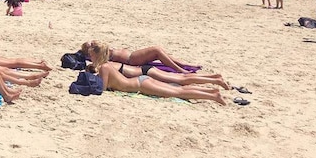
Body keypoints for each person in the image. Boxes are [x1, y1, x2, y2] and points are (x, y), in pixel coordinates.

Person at [84, 42, 225, 105]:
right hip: (141, 78)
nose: (89, 58)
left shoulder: (104, 68)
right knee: (179, 86)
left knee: (179, 89)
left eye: (91, 55)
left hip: (141, 83)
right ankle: (213, 90)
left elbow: (101, 89)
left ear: (97, 56)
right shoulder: (108, 64)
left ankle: (213, 94)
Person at [80, 40, 192, 73]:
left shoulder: (100, 50)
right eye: (91, 44)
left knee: (159, 50)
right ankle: (179, 69)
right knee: (157, 50)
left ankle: (183, 64)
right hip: (132, 59)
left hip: (133, 56)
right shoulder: (100, 52)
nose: (93, 42)